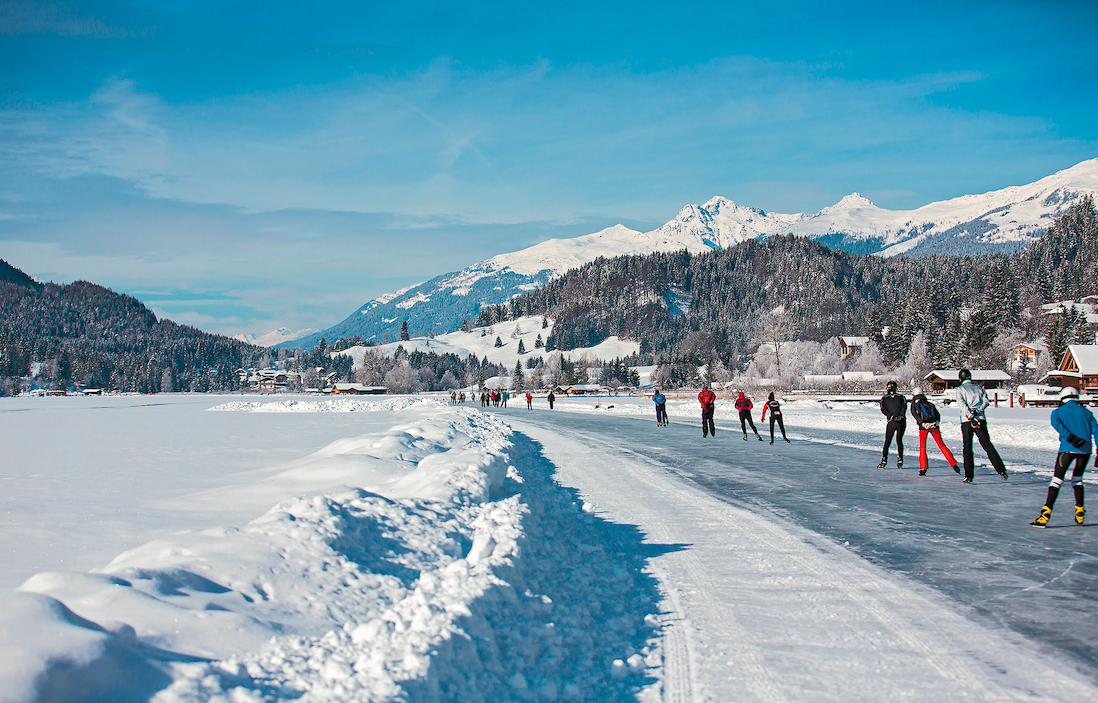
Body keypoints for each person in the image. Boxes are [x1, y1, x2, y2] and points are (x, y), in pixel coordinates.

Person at [1031, 386, 1098, 527]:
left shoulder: (1057, 412)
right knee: (1078, 479)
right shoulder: (1087, 413)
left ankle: (1045, 514)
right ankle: (1080, 510)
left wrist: (1070, 438)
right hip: (1085, 451)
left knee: (1057, 480)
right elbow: (1096, 432)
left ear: (1062, 398)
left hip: (1067, 450)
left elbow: (1057, 425)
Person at [957, 368, 1008, 483]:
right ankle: (1001, 470)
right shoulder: (979, 389)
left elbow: (962, 404)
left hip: (966, 421)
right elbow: (985, 402)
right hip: (980, 419)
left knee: (968, 448)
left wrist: (970, 416)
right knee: (987, 445)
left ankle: (969, 476)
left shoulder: (960, 389)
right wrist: (977, 412)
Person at [909, 387, 959, 476]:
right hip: (934, 426)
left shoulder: (914, 404)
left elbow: (916, 416)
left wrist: (922, 424)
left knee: (923, 447)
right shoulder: (930, 404)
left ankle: (923, 467)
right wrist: (936, 423)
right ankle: (953, 463)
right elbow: (938, 415)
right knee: (941, 445)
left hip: (924, 428)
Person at [878, 380, 907, 469]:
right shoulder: (901, 397)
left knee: (887, 441)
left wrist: (891, 416)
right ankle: (900, 458)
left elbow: (883, 409)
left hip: (892, 422)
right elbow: (904, 407)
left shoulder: (884, 398)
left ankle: (884, 459)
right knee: (899, 441)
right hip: (901, 422)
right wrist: (901, 416)